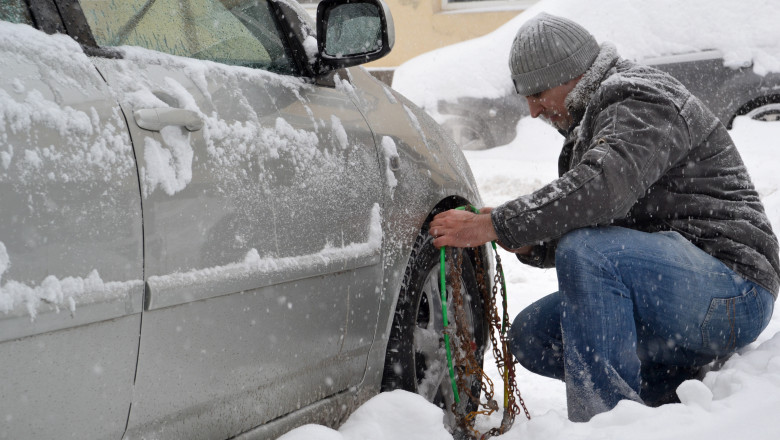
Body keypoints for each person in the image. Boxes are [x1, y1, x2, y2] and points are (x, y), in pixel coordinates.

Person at [429, 12, 779, 422]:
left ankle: (607, 423)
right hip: (674, 291)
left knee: (589, 252)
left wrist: (495, 223)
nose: (533, 110)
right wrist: (531, 240)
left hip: (735, 290)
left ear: (571, 76)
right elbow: (602, 221)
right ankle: (662, 394)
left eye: (538, 93)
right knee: (533, 336)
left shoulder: (640, 96)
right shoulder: (592, 120)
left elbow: (603, 190)